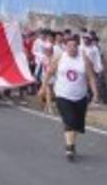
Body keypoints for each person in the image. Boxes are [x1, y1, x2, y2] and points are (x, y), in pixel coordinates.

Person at [41, 33, 99, 161]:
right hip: (63, 95)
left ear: (78, 46)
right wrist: (43, 87)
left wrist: (95, 93)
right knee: (69, 121)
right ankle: (69, 147)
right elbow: (49, 72)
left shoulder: (84, 59)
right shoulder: (60, 58)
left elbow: (91, 77)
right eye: (69, 45)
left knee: (77, 125)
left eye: (74, 45)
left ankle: (72, 143)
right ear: (65, 47)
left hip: (80, 96)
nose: (72, 48)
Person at [84, 31, 107, 106]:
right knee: (88, 84)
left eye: (87, 39)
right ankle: (90, 98)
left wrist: (100, 68)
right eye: (84, 39)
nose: (85, 40)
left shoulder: (94, 49)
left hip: (94, 68)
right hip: (86, 69)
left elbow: (97, 59)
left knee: (97, 84)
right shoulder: (83, 48)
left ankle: (99, 99)